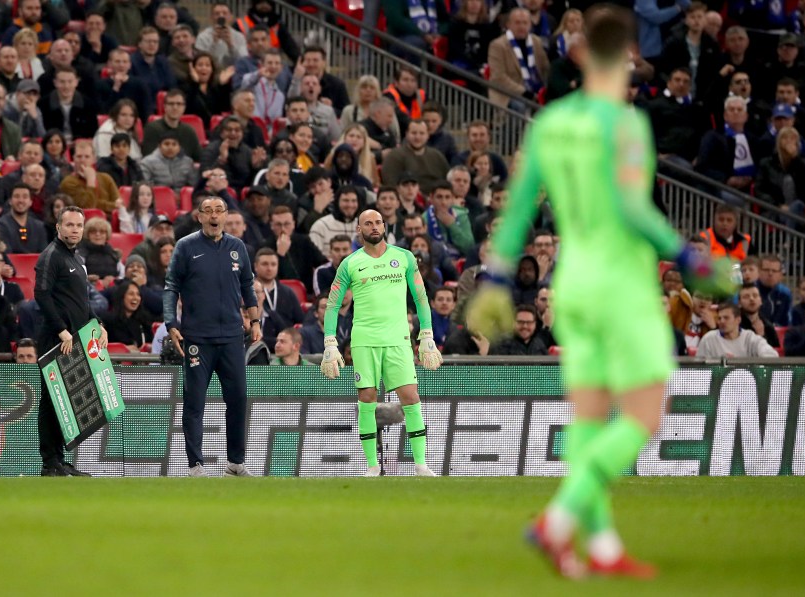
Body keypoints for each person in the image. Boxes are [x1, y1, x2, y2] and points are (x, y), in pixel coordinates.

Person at [467, 6, 736, 578]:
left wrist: (493, 278)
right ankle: (558, 522)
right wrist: (689, 256)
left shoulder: (551, 123)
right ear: (631, 60)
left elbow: (517, 210)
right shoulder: (626, 124)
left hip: (572, 285)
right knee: (643, 413)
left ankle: (603, 548)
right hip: (619, 283)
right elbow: (631, 206)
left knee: (589, 423)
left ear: (581, 55)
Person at [321, 208, 443, 477]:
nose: (374, 226)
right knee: (367, 399)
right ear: (359, 230)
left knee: (411, 398)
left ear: (385, 225)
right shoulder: (350, 263)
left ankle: (421, 464)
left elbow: (421, 298)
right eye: (368, 223)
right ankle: (372, 466)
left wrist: (427, 335)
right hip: (364, 340)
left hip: (398, 340)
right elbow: (332, 304)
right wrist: (330, 342)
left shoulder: (404, 257)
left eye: (378, 222)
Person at [163, 195, 259, 477]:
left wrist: (254, 321)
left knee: (238, 397)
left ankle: (235, 463)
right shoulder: (185, 247)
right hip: (198, 339)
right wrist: (171, 322)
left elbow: (248, 286)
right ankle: (195, 465)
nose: (214, 215)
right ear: (199, 216)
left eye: (219, 210)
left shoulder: (237, 247)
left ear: (226, 215)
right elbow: (171, 287)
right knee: (195, 402)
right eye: (208, 211)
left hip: (231, 336)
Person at [34, 205, 106, 477]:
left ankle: (59, 460)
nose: (75, 229)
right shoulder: (51, 256)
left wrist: (97, 323)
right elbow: (41, 295)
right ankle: (49, 461)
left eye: (79, 225)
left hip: (75, 339)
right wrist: (62, 330)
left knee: (65, 400)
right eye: (70, 225)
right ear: (59, 227)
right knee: (51, 400)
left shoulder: (77, 259)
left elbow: (81, 300)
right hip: (57, 338)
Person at [696, 302, 778, 358]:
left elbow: (772, 355)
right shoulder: (709, 339)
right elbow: (700, 370)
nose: (721, 321)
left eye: (726, 318)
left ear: (738, 320)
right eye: (719, 318)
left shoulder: (749, 338)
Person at [0, 183, 49, 254]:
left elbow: (43, 254)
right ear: (10, 201)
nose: (21, 200)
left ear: (30, 202)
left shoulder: (39, 226)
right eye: (16, 196)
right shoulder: (0, 225)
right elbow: (6, 254)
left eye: (25, 197)